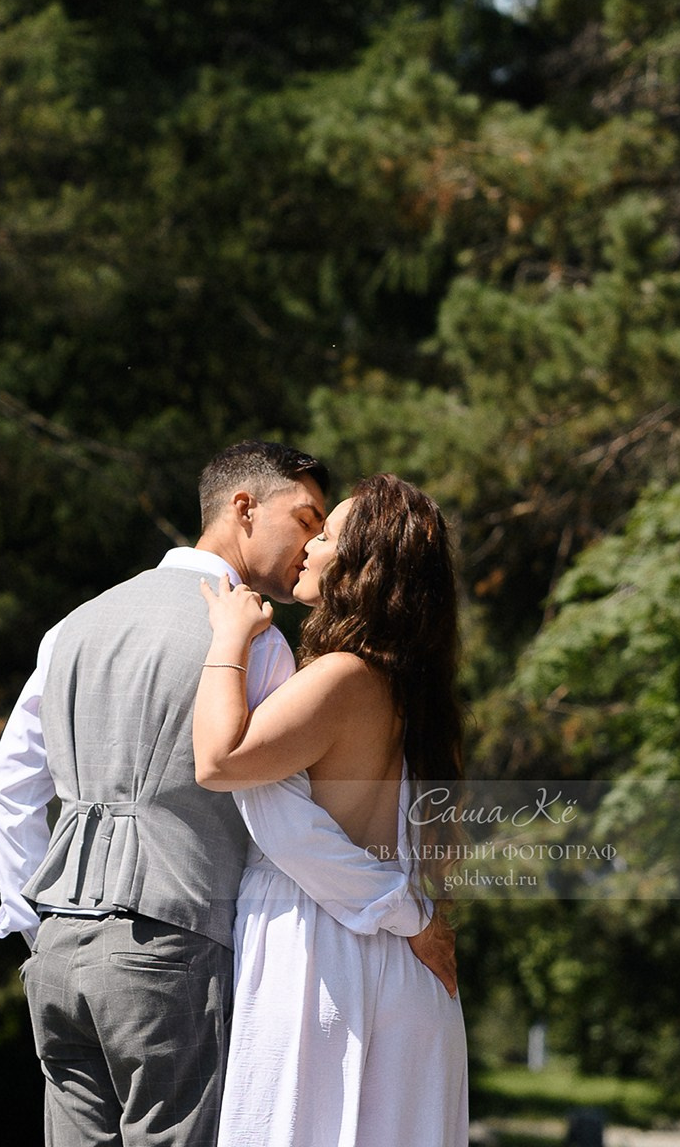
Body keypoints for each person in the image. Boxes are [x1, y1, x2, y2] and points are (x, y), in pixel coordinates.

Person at [0, 441, 455, 1147]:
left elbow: (9, 792)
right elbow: (279, 812)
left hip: (59, 956)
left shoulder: (73, 626)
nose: (309, 543)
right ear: (243, 508)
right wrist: (406, 913)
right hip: (176, 946)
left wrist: (37, 921)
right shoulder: (256, 645)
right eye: (307, 520)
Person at [194, 472, 469, 1147]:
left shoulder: (344, 676)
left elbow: (219, 761)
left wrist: (229, 637)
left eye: (326, 535)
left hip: (325, 955)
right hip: (399, 966)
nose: (310, 549)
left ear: (362, 565)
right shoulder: (413, 692)